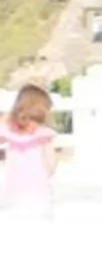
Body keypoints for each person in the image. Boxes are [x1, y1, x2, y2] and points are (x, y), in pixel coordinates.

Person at [2, 83, 60, 216]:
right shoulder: (43, 135)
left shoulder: (10, 133)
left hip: (14, 192)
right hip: (39, 192)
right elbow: (51, 166)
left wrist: (9, 117)